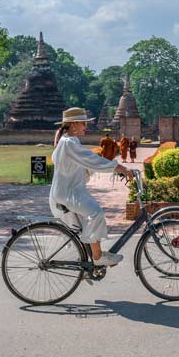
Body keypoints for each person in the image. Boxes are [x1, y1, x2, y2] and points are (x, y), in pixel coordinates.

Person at [50, 107, 132, 267]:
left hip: (70, 191)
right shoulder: (68, 143)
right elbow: (91, 159)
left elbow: (86, 163)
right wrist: (119, 168)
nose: (85, 127)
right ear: (73, 124)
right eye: (83, 124)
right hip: (69, 193)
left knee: (85, 224)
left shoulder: (69, 141)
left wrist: (111, 169)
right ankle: (97, 256)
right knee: (95, 212)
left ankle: (84, 264)